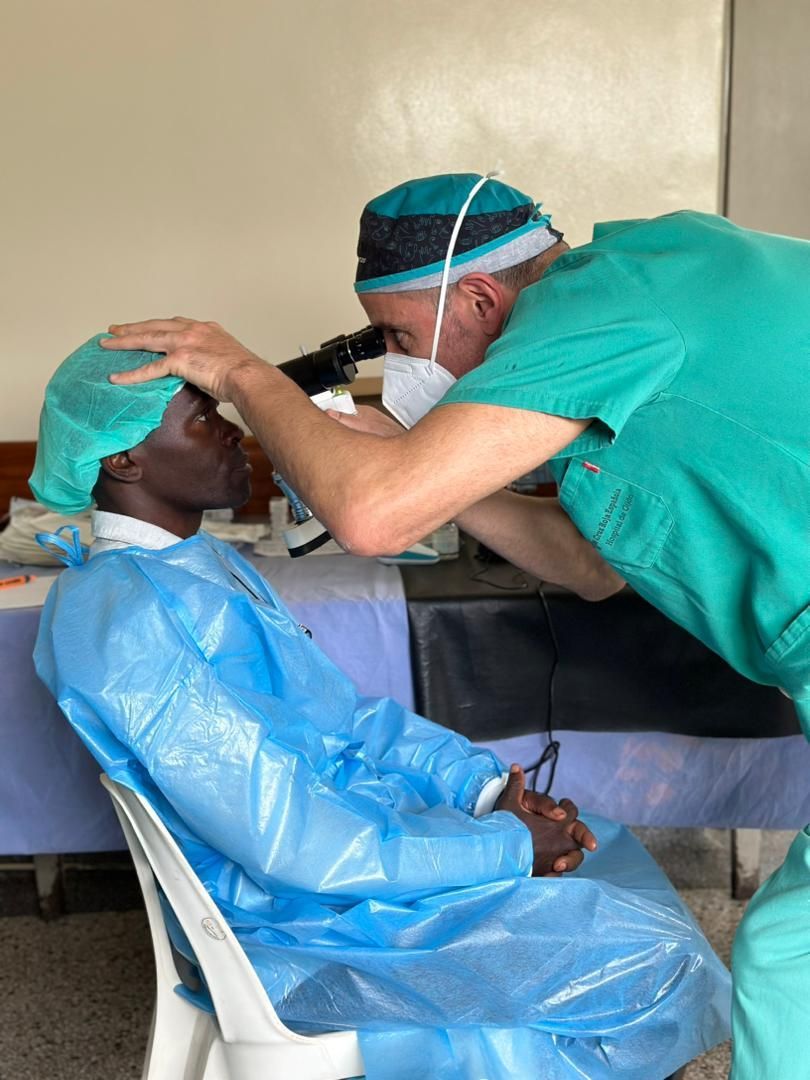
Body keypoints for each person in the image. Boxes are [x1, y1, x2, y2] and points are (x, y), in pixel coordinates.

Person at [101, 171, 809, 1079]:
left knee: (789, 959)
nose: (397, 363)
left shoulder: (603, 301)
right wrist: (426, 468)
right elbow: (591, 567)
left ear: (478, 298)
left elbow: (371, 520)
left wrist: (246, 376)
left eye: (399, 338)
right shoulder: (634, 301)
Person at [31, 336, 730, 1080]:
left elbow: (348, 718)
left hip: (346, 861)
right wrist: (500, 847)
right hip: (297, 928)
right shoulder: (127, 621)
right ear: (123, 459)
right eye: (205, 419)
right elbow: (290, 838)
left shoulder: (197, 565)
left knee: (608, 855)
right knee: (651, 958)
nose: (237, 432)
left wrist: (484, 790)